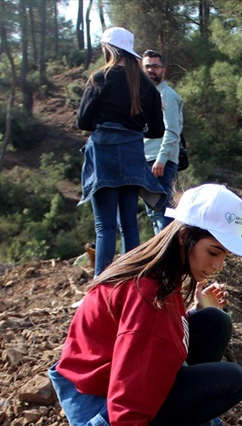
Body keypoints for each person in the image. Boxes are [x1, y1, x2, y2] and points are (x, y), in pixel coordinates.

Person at [47, 184, 242, 426]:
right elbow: (125, 400)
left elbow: (158, 337)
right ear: (185, 237)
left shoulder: (161, 270)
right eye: (213, 252)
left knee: (214, 322)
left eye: (223, 256)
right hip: (96, 399)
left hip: (99, 378)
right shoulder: (150, 297)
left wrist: (198, 311)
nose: (217, 266)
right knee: (231, 381)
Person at [76, 27, 167, 276]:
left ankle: (101, 282)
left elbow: (82, 122)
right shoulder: (147, 86)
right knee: (129, 224)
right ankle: (128, 279)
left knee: (104, 225)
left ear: (108, 49)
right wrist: (134, 131)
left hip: (103, 154)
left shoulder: (99, 78)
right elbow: (157, 130)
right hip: (131, 155)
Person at [141, 50, 184, 235]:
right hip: (148, 160)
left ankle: (167, 258)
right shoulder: (148, 96)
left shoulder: (167, 95)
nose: (151, 70)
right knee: (154, 214)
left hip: (160, 163)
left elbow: (173, 131)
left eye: (155, 66)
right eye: (147, 66)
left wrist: (162, 158)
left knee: (163, 214)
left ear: (163, 70)